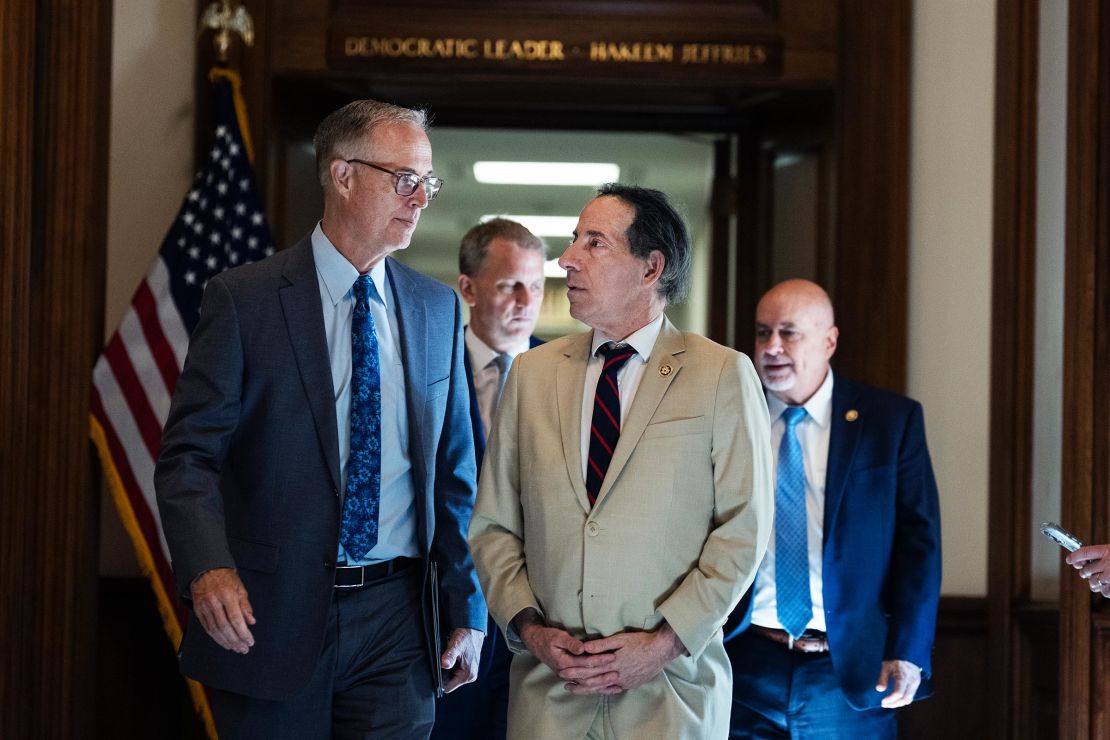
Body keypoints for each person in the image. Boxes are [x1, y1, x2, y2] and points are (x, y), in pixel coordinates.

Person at [154, 99, 486, 738]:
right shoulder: (244, 299)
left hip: (400, 618)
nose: (421, 199)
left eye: (429, 183)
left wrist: (467, 608)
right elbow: (189, 457)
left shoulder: (436, 307)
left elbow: (456, 476)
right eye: (405, 179)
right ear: (342, 175)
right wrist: (207, 565)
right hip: (271, 615)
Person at [469, 183, 774, 739]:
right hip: (548, 694)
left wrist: (663, 644)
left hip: (670, 692)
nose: (568, 259)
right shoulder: (532, 375)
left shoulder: (722, 375)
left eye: (594, 242)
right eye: (572, 240)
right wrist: (530, 629)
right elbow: (492, 525)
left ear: (650, 268)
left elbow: (743, 531)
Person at [724, 278, 942, 738]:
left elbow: (918, 544)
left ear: (829, 341)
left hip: (849, 669)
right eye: (763, 333)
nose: (772, 347)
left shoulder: (890, 421)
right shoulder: (729, 419)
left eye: (789, 332)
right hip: (744, 660)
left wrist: (909, 650)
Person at [431, 218, 546, 740]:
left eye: (537, 285)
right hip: (447, 609)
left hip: (542, 614)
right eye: (509, 285)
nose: (526, 299)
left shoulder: (569, 373)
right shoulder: (428, 369)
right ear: (468, 288)